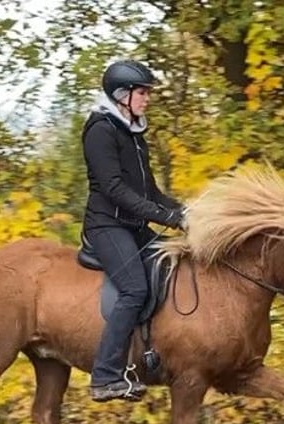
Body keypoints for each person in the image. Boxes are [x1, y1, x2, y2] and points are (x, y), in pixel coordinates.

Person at [81, 59, 186, 402]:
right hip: (107, 225)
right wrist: (165, 218)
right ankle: (106, 375)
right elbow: (115, 190)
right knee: (134, 290)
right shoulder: (101, 129)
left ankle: (152, 354)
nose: (147, 99)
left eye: (147, 93)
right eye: (142, 92)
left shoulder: (134, 131)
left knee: (173, 270)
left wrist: (186, 212)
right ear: (122, 94)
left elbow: (149, 190)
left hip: (134, 225)